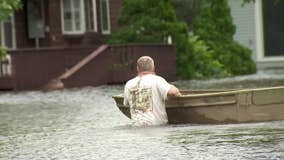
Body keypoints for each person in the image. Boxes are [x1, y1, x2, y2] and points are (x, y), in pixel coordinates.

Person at [123, 56, 180, 126]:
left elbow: (126, 104)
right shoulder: (157, 80)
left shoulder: (129, 84)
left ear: (137, 68)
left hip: (136, 129)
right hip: (157, 128)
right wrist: (172, 87)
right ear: (153, 68)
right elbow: (173, 93)